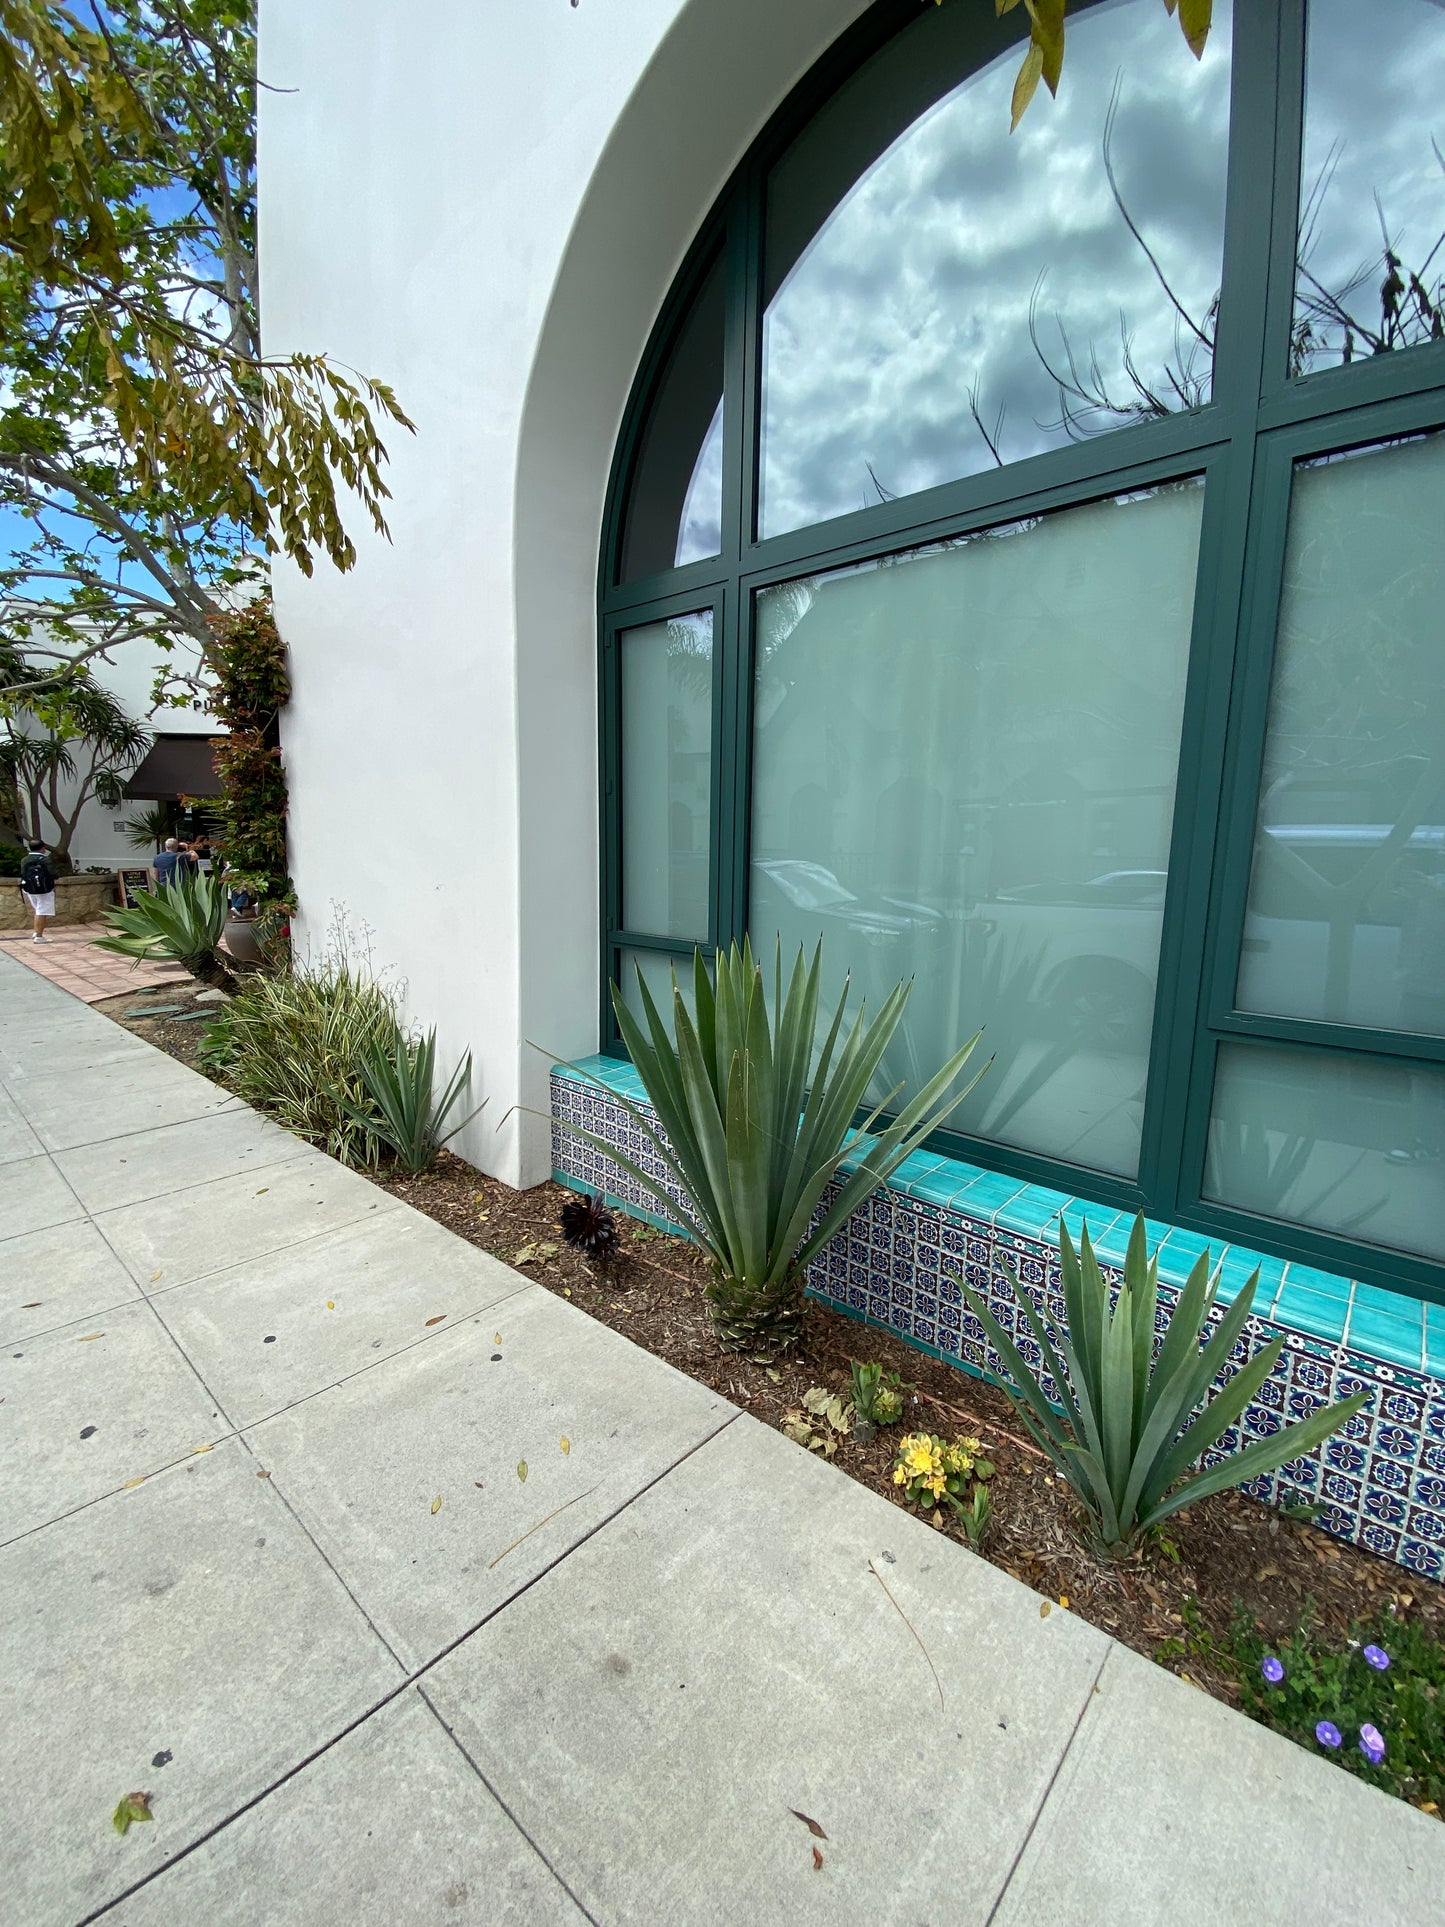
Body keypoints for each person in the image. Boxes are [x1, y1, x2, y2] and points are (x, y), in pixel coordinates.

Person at [18, 839, 56, 943]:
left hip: (30, 889)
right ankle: (39, 936)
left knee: (37, 909)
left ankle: (36, 932)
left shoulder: (25, 859)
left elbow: (23, 873)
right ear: (42, 848)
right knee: (42, 911)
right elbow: (53, 873)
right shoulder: (45, 860)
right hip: (45, 889)